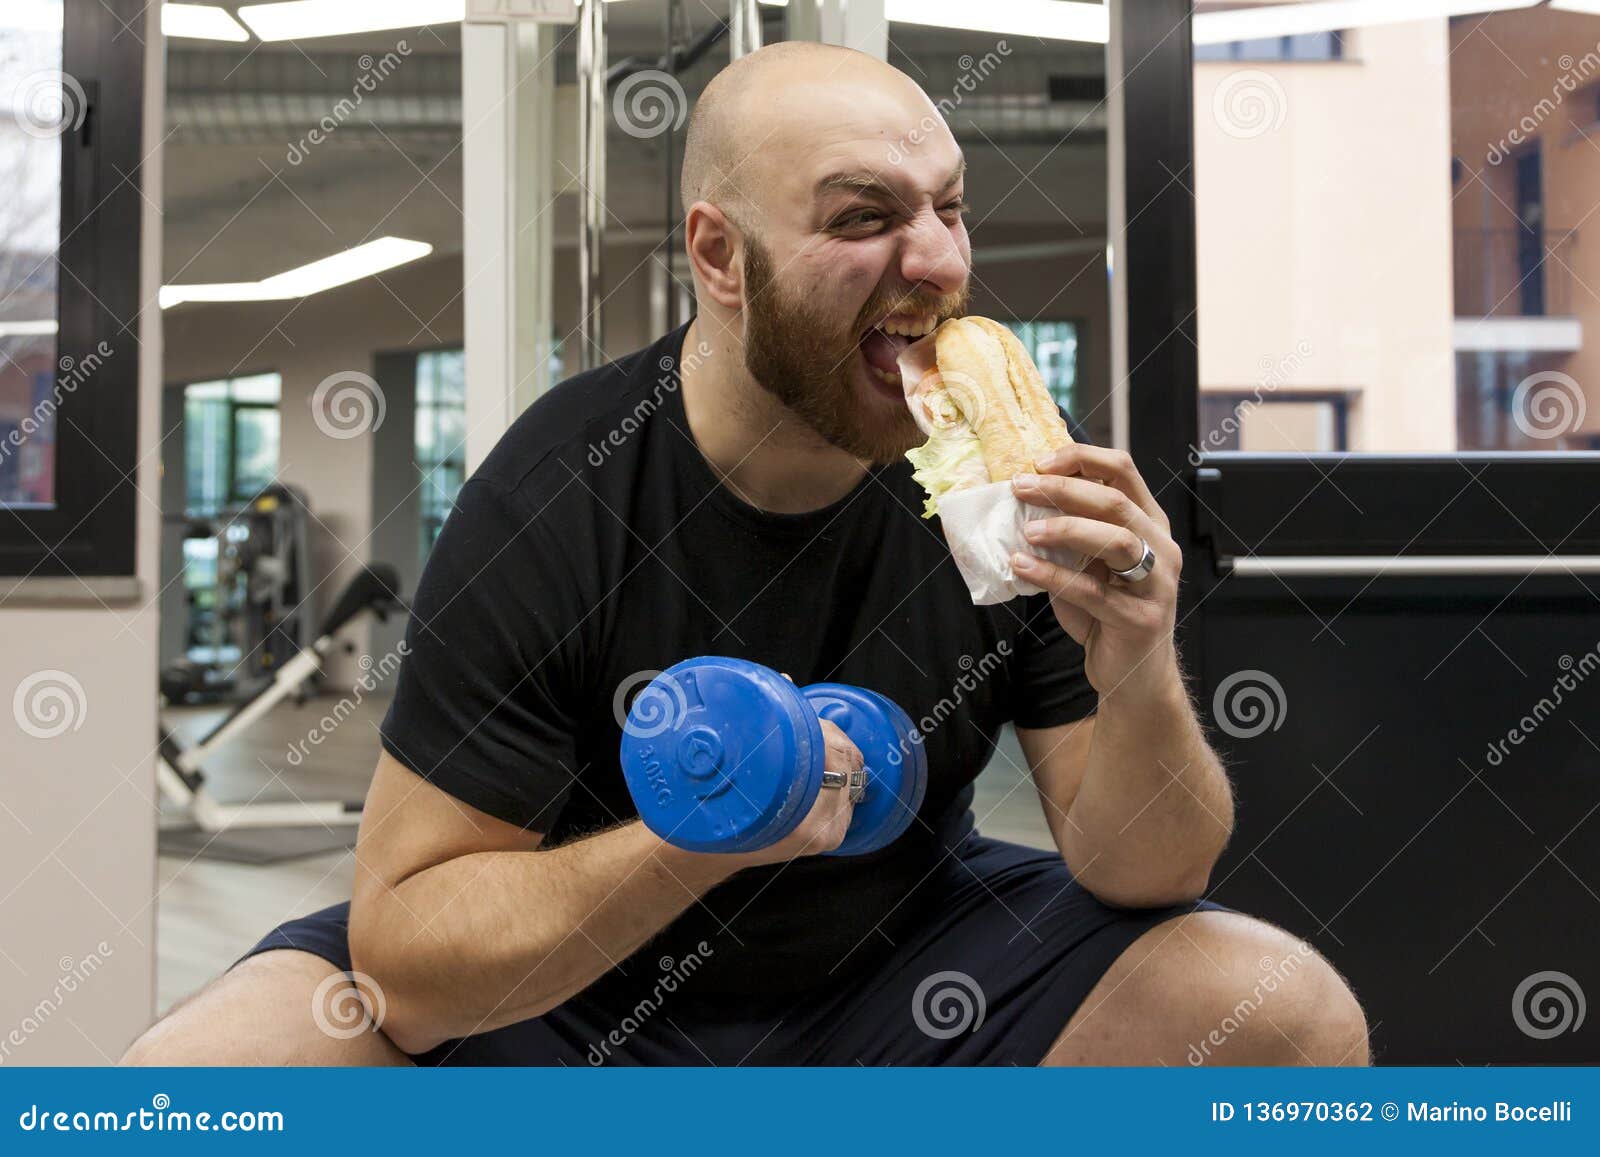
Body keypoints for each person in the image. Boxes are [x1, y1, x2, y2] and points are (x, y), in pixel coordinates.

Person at [123, 41, 1367, 1067]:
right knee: (190, 1085)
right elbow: (408, 964)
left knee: (1280, 1011)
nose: (936, 263)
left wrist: (1138, 666)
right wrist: (706, 830)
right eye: (865, 218)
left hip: (905, 970)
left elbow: (1146, 866)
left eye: (947, 209)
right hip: (574, 995)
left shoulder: (1012, 489)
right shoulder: (560, 491)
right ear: (718, 256)